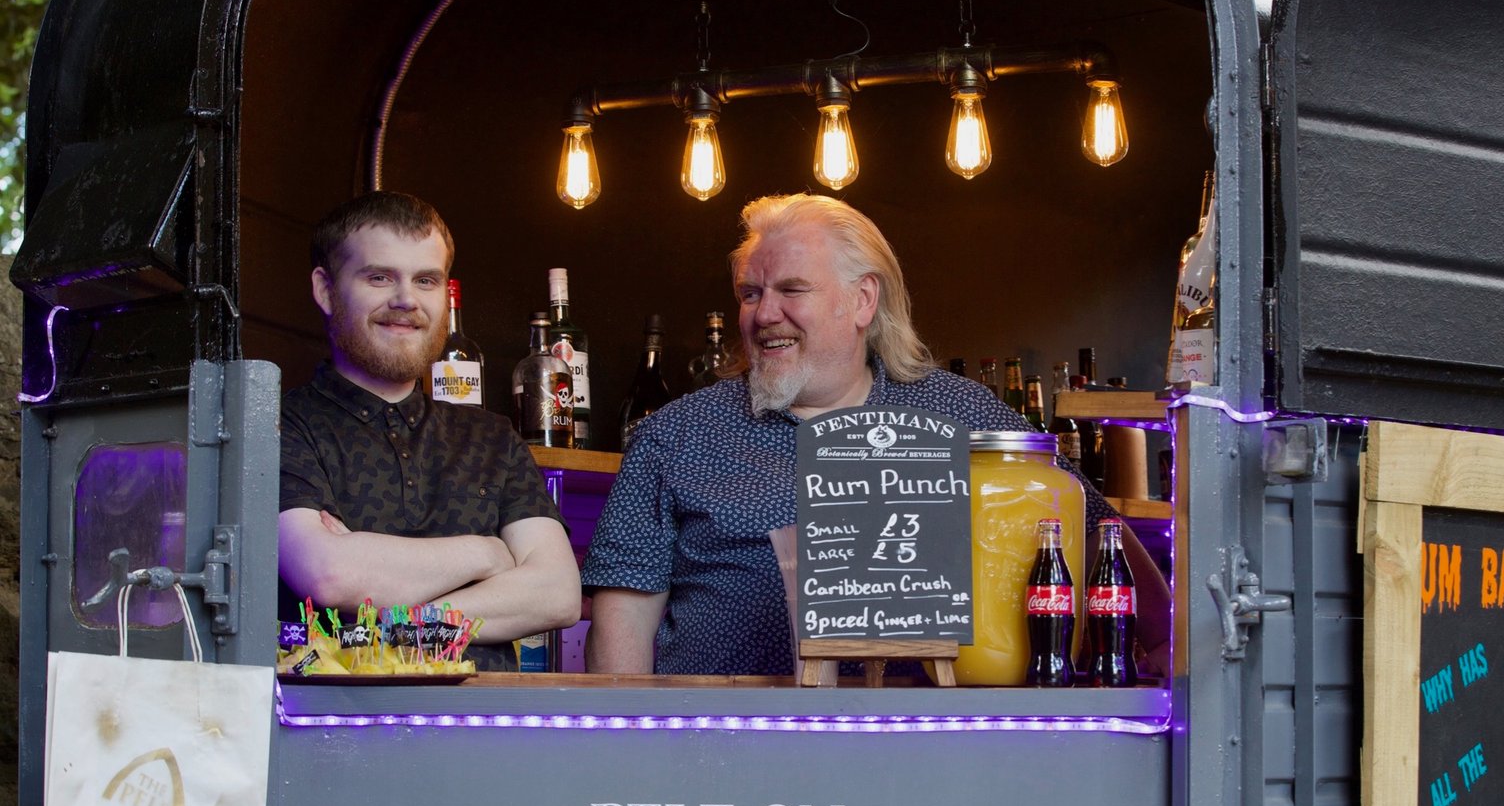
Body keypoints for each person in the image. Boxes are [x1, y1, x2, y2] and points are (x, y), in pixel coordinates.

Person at [582, 193, 1168, 676]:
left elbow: (1097, 531)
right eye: (750, 294)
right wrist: (630, 751)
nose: (763, 314)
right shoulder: (678, 433)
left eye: (792, 290)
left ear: (863, 300)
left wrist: (1166, 647)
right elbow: (621, 623)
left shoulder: (959, 413)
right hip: (727, 745)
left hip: (931, 745)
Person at [277, 191, 580, 670]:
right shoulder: (282, 424)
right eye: (379, 277)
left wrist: (387, 627)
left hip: (488, 717)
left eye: (426, 280)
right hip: (336, 716)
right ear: (325, 289)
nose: (406, 300)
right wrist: (486, 553)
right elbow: (329, 574)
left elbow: (557, 594)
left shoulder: (493, 438)